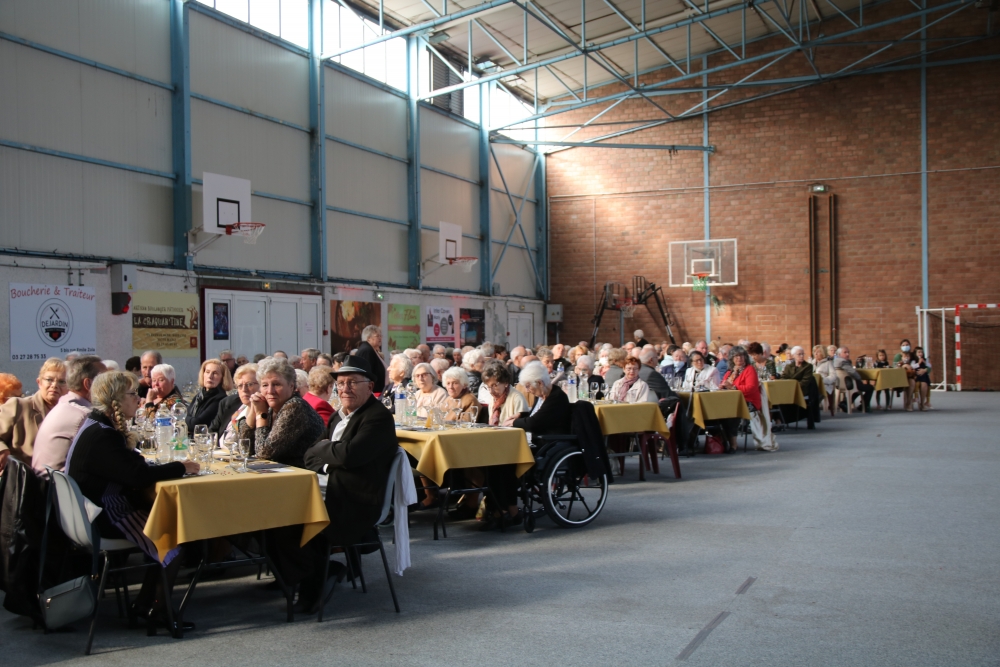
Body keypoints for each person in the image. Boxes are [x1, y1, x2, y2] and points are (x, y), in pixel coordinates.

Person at [66, 372, 198, 626]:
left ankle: (144, 604)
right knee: (171, 541)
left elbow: (129, 467)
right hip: (105, 516)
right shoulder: (103, 435)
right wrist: (180, 467)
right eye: (133, 394)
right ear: (115, 399)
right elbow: (138, 477)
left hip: (88, 513)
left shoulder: (95, 425)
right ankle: (159, 612)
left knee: (166, 525)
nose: (138, 399)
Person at [301, 356, 398, 613]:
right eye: (341, 383)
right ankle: (299, 576)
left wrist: (326, 452)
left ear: (370, 386)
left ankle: (315, 582)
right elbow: (309, 453)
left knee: (299, 515)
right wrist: (329, 460)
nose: (345, 388)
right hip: (334, 487)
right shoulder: (339, 415)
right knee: (283, 511)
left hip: (357, 500)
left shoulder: (377, 417)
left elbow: (349, 456)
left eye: (353, 382)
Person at [239, 357, 325, 468]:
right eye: (265, 385)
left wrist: (261, 414)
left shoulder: (296, 406)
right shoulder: (270, 407)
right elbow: (244, 448)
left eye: (276, 384)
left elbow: (264, 453)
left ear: (291, 386)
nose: (270, 391)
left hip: (303, 473)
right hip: (279, 471)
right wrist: (253, 409)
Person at [32, 355, 107, 477]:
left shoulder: (64, 405)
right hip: (58, 487)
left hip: (49, 483)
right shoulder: (84, 415)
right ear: (88, 384)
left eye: (61, 381)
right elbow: (106, 459)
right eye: (105, 381)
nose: (109, 386)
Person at [0, 358, 67, 472]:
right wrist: (3, 451)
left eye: (61, 381)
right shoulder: (19, 405)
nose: (54, 385)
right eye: (49, 380)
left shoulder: (70, 413)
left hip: (58, 478)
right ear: (39, 382)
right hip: (22, 477)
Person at [721, 346, 778, 452]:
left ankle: (733, 444)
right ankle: (722, 442)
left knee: (732, 413)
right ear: (732, 359)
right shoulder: (730, 372)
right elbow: (723, 384)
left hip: (749, 402)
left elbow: (751, 388)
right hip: (732, 401)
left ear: (745, 357)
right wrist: (723, 386)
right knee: (719, 412)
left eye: (741, 355)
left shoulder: (749, 369)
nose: (739, 358)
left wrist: (733, 387)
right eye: (736, 356)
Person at [186, 359, 233, 434]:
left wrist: (184, 419)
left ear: (222, 378)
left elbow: (197, 425)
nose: (210, 376)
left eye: (215, 373)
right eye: (207, 372)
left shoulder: (220, 399)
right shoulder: (199, 396)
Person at [211, 363, 256, 440]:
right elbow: (211, 432)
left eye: (249, 384)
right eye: (240, 386)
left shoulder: (264, 411)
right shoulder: (228, 403)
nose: (244, 389)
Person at [778, 346, 819, 428]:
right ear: (793, 356)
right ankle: (779, 420)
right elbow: (783, 378)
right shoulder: (789, 366)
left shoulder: (808, 366)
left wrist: (792, 386)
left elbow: (805, 381)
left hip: (802, 390)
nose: (802, 356)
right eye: (799, 354)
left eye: (803, 354)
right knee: (778, 397)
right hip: (789, 390)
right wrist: (788, 386)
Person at [834, 347, 873, 412]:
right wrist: (859, 379)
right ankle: (863, 406)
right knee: (870, 387)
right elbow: (853, 372)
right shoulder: (843, 362)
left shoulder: (834, 361)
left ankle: (845, 403)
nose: (847, 354)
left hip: (839, 383)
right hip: (848, 384)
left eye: (848, 352)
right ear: (839, 354)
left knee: (858, 388)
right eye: (845, 352)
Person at [355, 327, 385, 396]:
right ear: (368, 338)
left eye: (381, 336)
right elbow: (366, 374)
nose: (380, 338)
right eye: (377, 336)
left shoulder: (371, 350)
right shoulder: (367, 351)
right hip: (371, 393)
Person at [913, 346, 932, 411]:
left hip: (924, 376)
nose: (920, 353)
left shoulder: (925, 360)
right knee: (917, 384)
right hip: (916, 376)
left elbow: (929, 366)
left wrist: (925, 363)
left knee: (924, 384)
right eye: (918, 352)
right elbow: (912, 367)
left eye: (921, 352)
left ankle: (923, 402)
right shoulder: (914, 360)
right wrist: (918, 363)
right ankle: (916, 398)